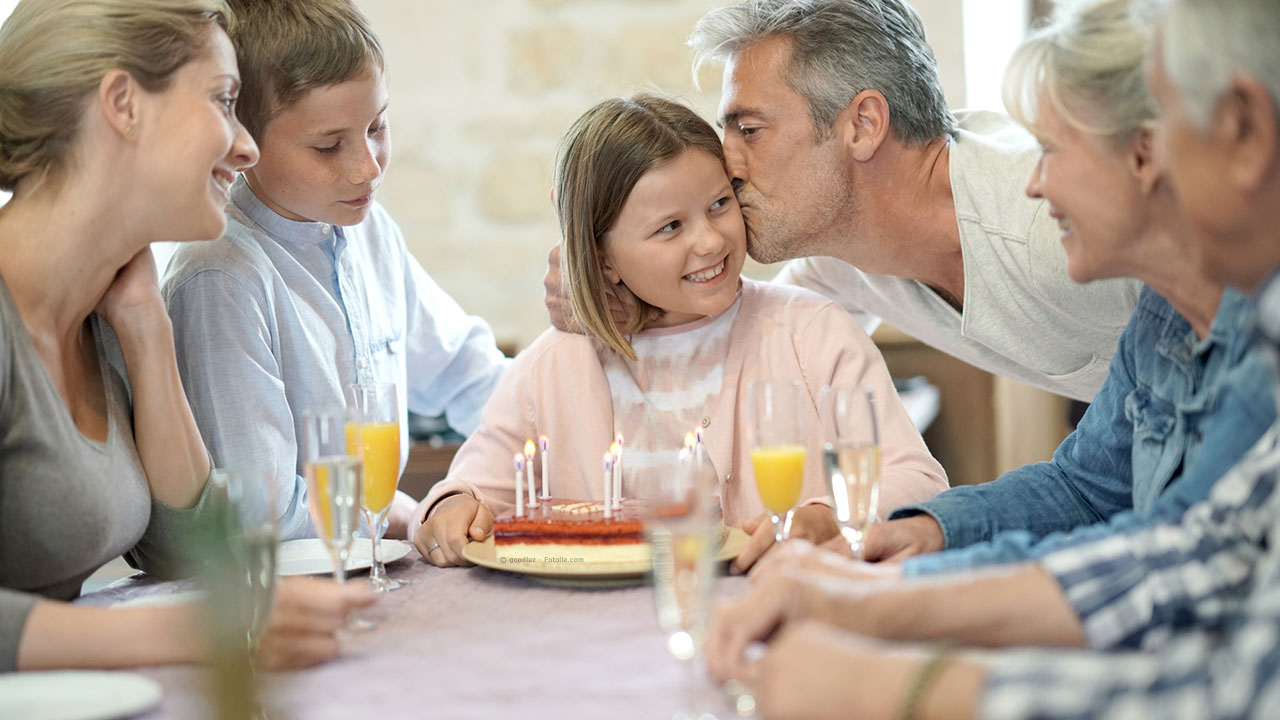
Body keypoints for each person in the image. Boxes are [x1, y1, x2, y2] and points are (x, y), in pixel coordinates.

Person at [703, 0, 1280, 716]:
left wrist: (899, 685)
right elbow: (1139, 522)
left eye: (747, 127)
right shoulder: (1170, 320)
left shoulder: (1057, 240)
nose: (1039, 180)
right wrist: (912, 551)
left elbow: (1213, 651)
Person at [409, 95, 947, 571]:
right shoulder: (555, 364)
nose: (710, 241)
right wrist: (450, 508)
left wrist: (830, 515)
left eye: (719, 204)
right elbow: (473, 487)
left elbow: (917, 479)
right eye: (670, 227)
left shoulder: (813, 336)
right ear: (603, 256)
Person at [0, 0, 370, 673]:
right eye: (225, 101)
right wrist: (184, 634)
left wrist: (146, 333)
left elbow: (188, 550)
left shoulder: (104, 318)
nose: (247, 145)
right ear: (123, 104)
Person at [844, 0, 1274, 577]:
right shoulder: (1160, 316)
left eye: (1048, 149)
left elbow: (1169, 556)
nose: (1034, 184)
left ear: (1145, 153)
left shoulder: (1260, 342)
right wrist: (928, 530)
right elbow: (1085, 490)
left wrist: (900, 587)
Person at [546, 0, 1140, 404]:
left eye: (749, 129)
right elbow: (739, 351)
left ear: (863, 124)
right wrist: (619, 298)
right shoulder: (838, 260)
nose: (725, 165)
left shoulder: (1057, 223)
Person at [161, 0, 509, 541]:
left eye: (377, 126)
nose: (367, 167)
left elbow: (463, 369)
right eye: (329, 147)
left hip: (368, 565)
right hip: (277, 595)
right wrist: (398, 514)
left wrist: (550, 412)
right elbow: (264, 509)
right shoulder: (221, 278)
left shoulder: (370, 231)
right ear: (243, 143)